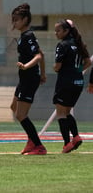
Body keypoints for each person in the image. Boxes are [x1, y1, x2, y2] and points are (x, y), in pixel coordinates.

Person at [10, 3, 47, 155]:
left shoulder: (29, 36)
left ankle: (39, 146)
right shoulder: (23, 36)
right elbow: (42, 54)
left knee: (20, 115)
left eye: (16, 20)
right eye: (13, 20)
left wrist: (26, 66)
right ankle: (32, 140)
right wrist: (43, 74)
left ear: (25, 20)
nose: (14, 23)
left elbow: (38, 56)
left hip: (29, 78)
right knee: (14, 107)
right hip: (25, 78)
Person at [53, 19, 91, 153]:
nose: (56, 33)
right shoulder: (79, 44)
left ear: (66, 31)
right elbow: (88, 62)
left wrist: (56, 68)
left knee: (60, 113)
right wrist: (77, 71)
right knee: (67, 111)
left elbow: (58, 66)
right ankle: (76, 137)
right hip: (78, 82)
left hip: (65, 82)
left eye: (58, 30)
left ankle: (66, 144)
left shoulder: (62, 45)